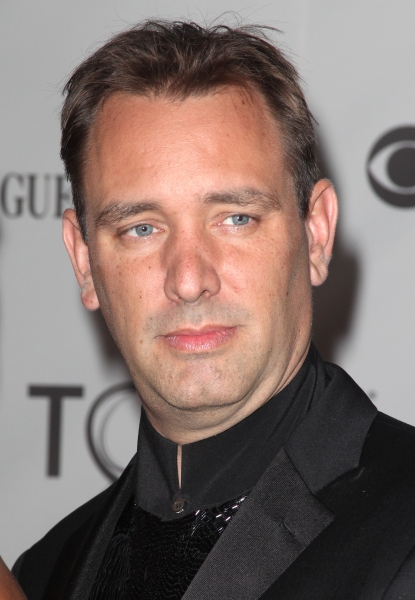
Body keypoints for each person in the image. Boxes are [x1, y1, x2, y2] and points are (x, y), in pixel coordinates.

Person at [12, 20, 415, 600]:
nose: (189, 279)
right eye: (141, 228)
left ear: (317, 235)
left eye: (236, 218)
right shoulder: (47, 569)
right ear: (83, 262)